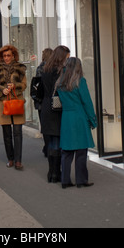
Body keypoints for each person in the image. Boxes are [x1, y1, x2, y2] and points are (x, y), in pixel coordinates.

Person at [57, 57, 97, 188]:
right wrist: (93, 120)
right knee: (81, 152)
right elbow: (87, 102)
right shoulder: (80, 81)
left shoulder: (60, 83)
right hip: (79, 117)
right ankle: (81, 180)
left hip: (66, 117)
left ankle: (65, 180)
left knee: (67, 152)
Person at [0, 45, 27, 170]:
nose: (6, 58)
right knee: (7, 133)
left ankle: (18, 160)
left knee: (17, 132)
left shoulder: (20, 68)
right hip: (3, 103)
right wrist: (3, 90)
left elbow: (24, 84)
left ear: (13, 56)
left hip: (16, 102)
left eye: (9, 55)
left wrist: (15, 86)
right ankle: (10, 159)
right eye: (4, 55)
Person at [40, 45, 70, 183]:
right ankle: (56, 172)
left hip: (46, 106)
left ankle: (51, 172)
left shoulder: (45, 69)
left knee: (51, 141)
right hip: (57, 107)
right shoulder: (60, 71)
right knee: (57, 141)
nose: (67, 60)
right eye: (67, 57)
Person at [33, 48, 53, 157]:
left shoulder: (40, 68)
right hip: (51, 101)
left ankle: (47, 147)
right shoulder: (54, 68)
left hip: (41, 102)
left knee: (45, 126)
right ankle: (51, 147)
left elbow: (38, 85)